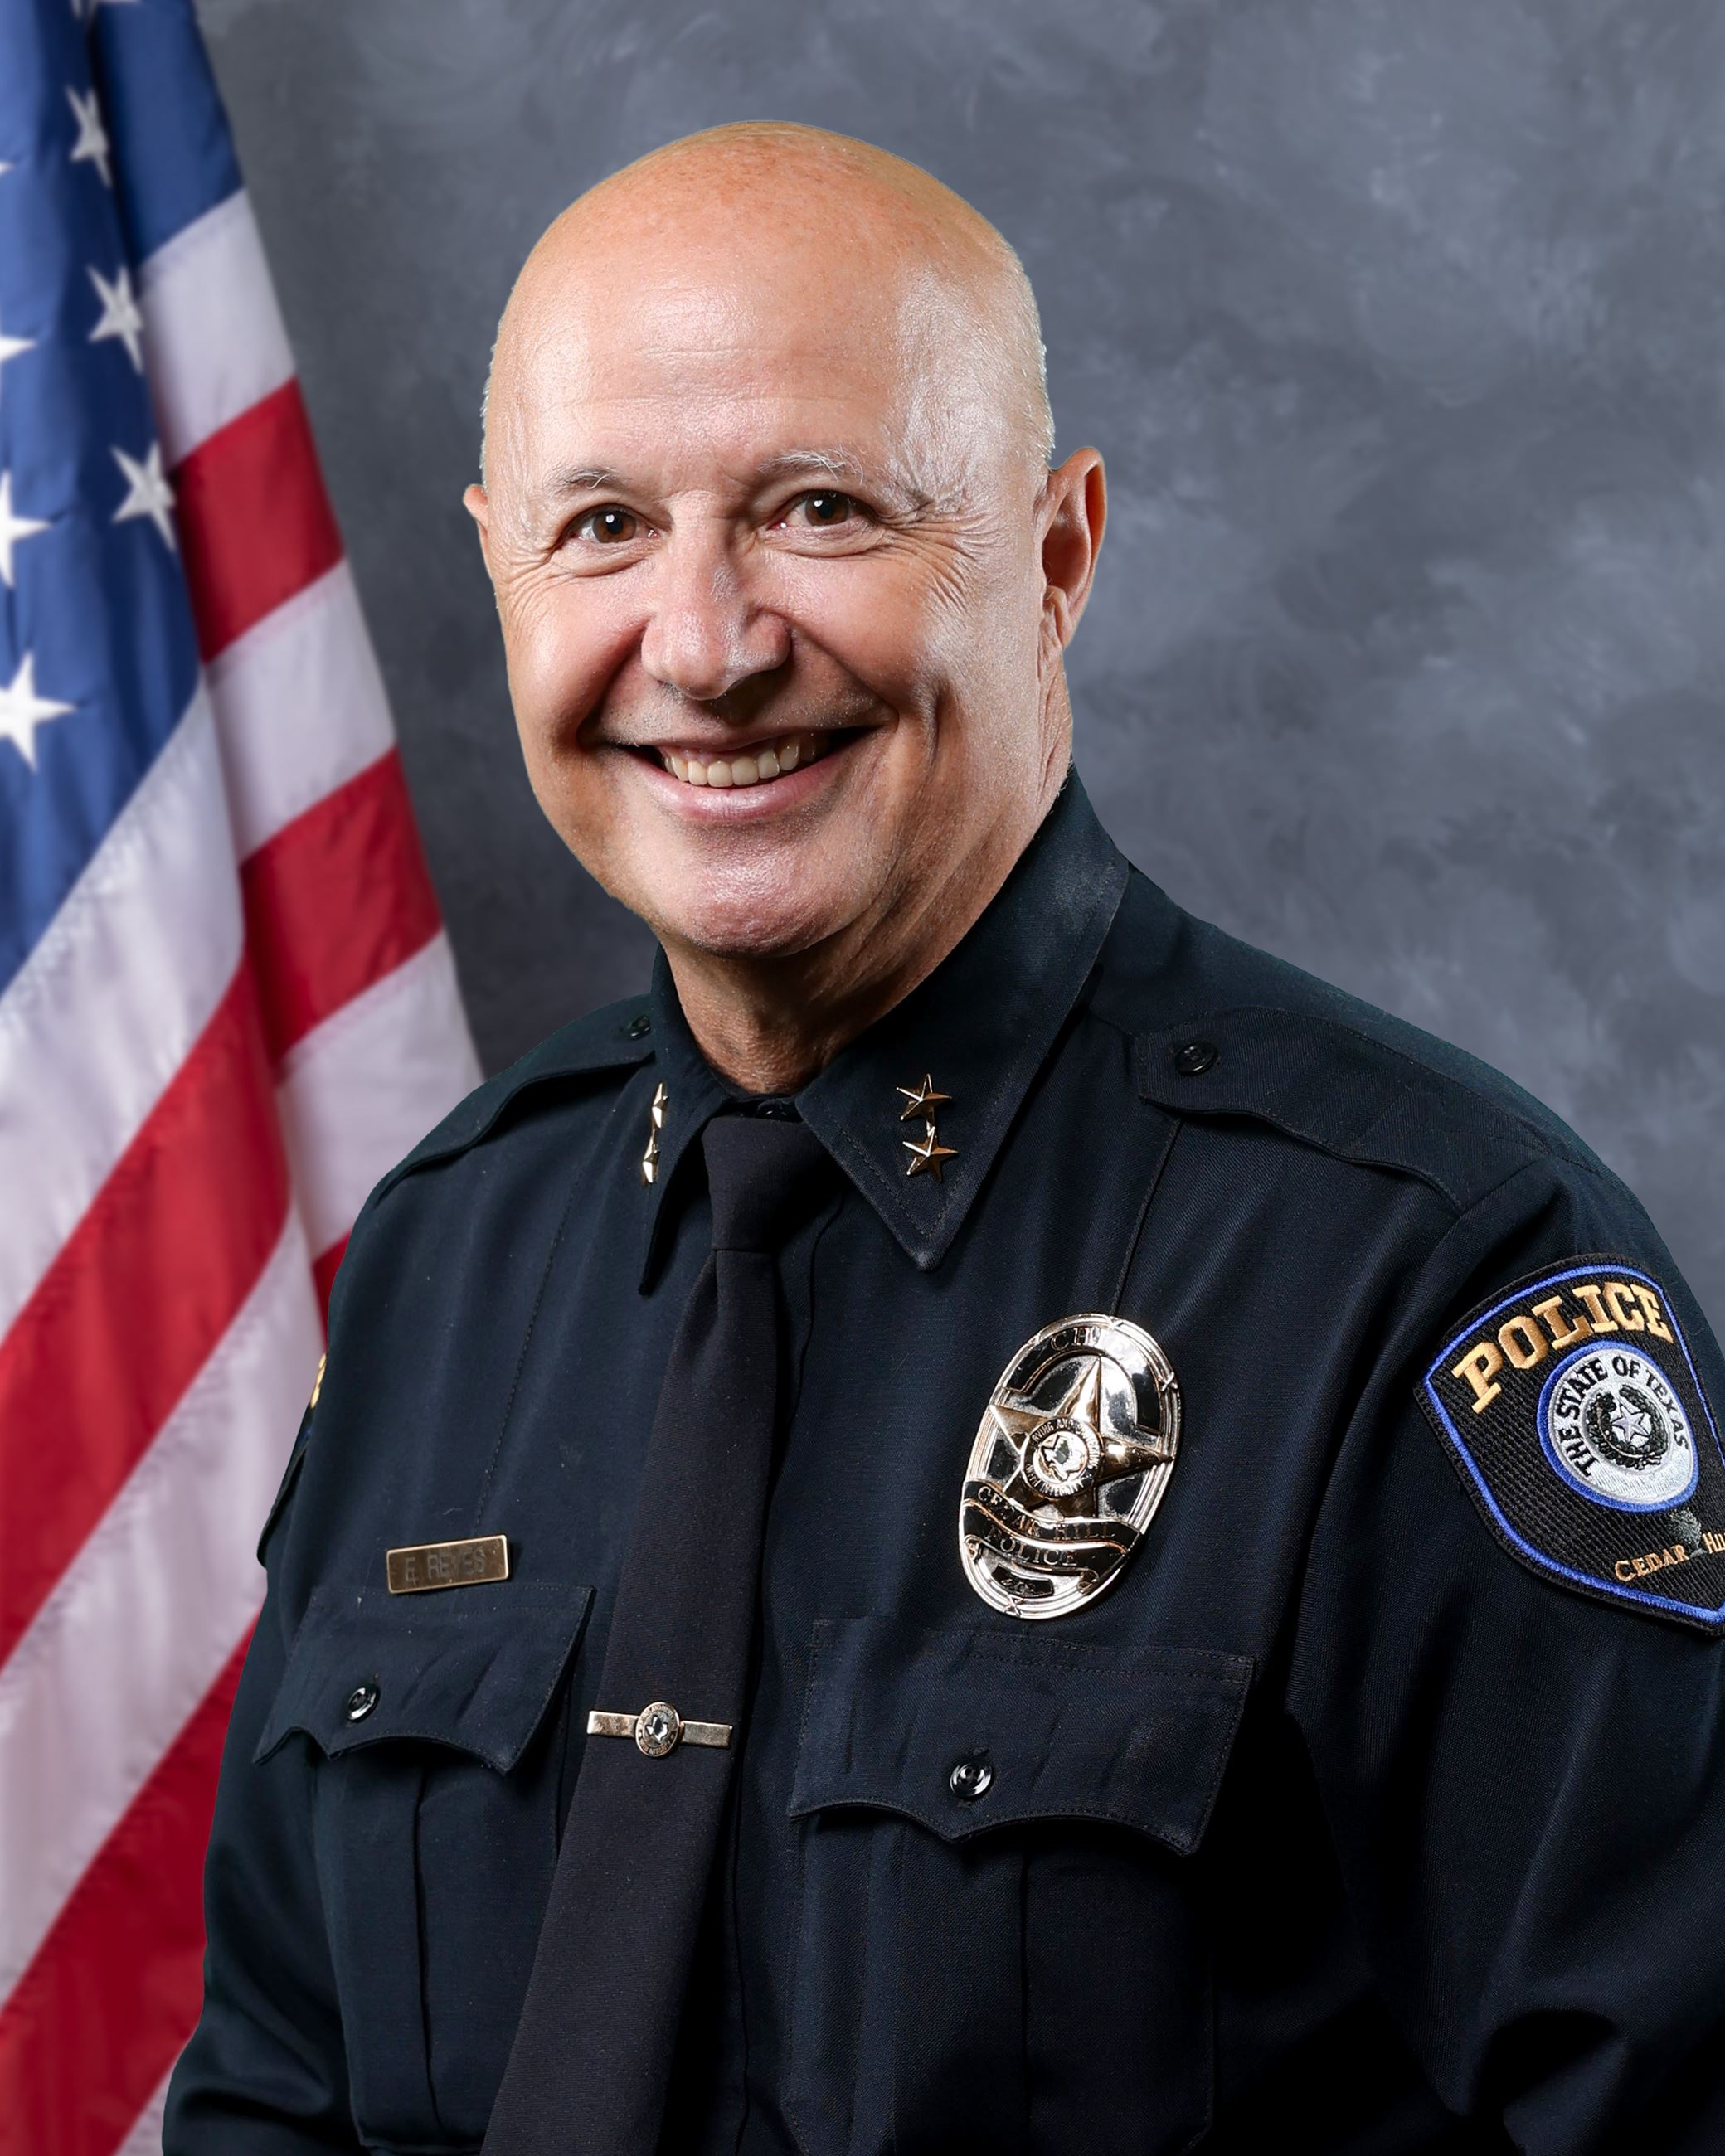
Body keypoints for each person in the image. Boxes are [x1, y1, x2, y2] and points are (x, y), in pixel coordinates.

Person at [166, 124, 1725, 2155]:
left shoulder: (1426, 1269)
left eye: (821, 509)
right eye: (605, 526)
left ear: (1057, 556)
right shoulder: (453, 1252)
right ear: (498, 565)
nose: (706, 644)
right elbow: (280, 2099)